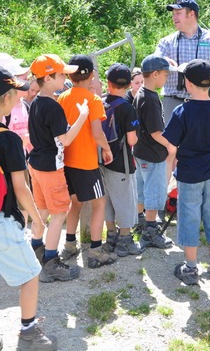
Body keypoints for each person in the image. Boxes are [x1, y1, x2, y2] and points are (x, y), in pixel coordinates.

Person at [0, 67, 56, 351]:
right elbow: (20, 187)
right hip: (0, 219)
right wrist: (38, 220)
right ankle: (29, 331)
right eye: (15, 91)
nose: (20, 95)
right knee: (30, 274)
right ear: (5, 99)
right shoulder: (8, 138)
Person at [162, 59, 210, 286]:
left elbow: (171, 147)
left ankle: (191, 269)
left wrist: (173, 161)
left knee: (190, 216)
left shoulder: (181, 111)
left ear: (188, 83)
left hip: (189, 174)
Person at [27, 54, 89, 282]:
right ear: (48, 77)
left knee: (42, 209)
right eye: (62, 74)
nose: (66, 76)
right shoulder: (53, 107)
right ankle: (51, 263)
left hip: (36, 165)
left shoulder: (36, 103)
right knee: (60, 212)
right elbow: (65, 140)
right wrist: (82, 117)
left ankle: (35, 248)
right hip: (51, 168)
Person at [57, 55, 117, 269]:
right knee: (99, 203)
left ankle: (70, 244)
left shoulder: (62, 97)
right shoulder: (93, 100)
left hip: (67, 160)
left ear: (70, 75)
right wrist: (107, 149)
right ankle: (95, 250)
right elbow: (98, 133)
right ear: (91, 75)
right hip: (87, 162)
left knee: (76, 203)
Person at [155, 0, 210, 116]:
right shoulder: (166, 42)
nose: (174, 17)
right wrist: (163, 61)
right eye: (173, 14)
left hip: (204, 103)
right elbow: (153, 66)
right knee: (171, 135)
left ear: (191, 14)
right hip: (173, 102)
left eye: (178, 13)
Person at [99, 63, 144, 257]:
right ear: (128, 84)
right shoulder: (127, 108)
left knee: (107, 199)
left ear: (108, 83)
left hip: (100, 160)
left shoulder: (100, 103)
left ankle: (110, 236)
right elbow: (132, 139)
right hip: (121, 162)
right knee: (125, 199)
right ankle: (125, 239)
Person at [133, 55, 177, 249]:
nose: (166, 78)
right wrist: (170, 145)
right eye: (165, 74)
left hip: (140, 150)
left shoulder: (140, 93)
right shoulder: (150, 99)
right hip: (153, 153)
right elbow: (156, 132)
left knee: (141, 190)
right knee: (154, 192)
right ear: (155, 74)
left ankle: (140, 222)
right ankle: (150, 232)